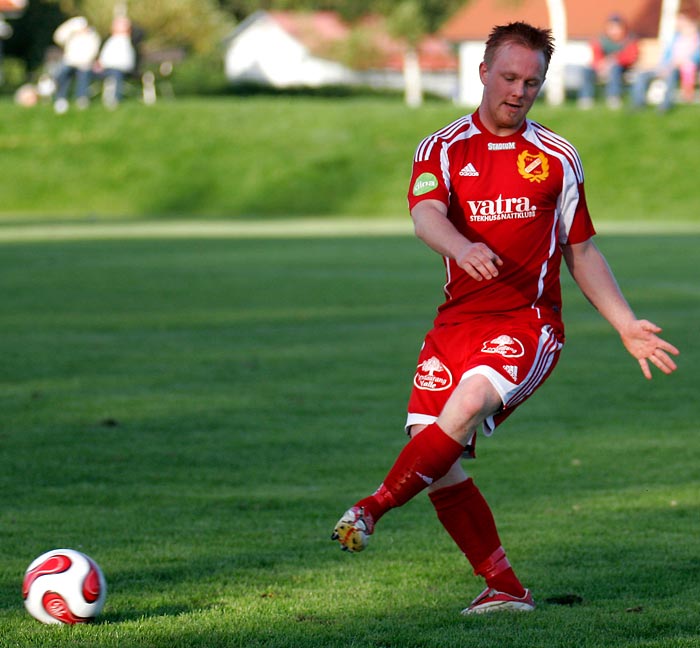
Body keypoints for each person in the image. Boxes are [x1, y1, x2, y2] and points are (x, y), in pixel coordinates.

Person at [331, 21, 679, 615]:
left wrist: (623, 323)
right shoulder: (441, 147)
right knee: (433, 456)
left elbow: (581, 250)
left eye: (533, 82)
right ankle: (505, 588)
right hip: (454, 326)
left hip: (527, 323)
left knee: (463, 410)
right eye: (510, 77)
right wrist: (460, 248)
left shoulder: (556, 157)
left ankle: (370, 508)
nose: (519, 91)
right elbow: (425, 216)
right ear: (484, 72)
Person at [631, 12, 700, 111]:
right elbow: (666, 55)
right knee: (641, 74)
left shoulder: (697, 39)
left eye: (681, 20)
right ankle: (638, 103)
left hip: (682, 68)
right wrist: (664, 66)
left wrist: (682, 62)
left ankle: (665, 106)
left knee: (670, 76)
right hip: (667, 66)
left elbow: (697, 56)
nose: (679, 23)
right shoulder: (675, 38)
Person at [578, 14, 639, 109]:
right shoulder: (601, 40)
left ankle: (613, 97)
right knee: (587, 70)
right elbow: (596, 56)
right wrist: (601, 64)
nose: (614, 31)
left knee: (615, 68)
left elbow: (631, 57)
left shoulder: (629, 40)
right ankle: (586, 98)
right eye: (611, 28)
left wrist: (614, 60)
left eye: (616, 28)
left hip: (622, 68)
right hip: (602, 67)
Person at [52, 16, 101, 114]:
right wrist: (70, 26)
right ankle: (60, 98)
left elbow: (93, 51)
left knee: (83, 75)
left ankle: (81, 98)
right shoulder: (72, 35)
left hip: (84, 64)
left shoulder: (93, 36)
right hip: (70, 62)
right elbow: (58, 37)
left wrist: (84, 62)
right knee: (62, 74)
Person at [96, 15, 137, 109]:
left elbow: (126, 61)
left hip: (120, 69)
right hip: (105, 68)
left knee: (115, 74)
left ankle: (114, 99)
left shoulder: (127, 41)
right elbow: (104, 57)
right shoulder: (111, 41)